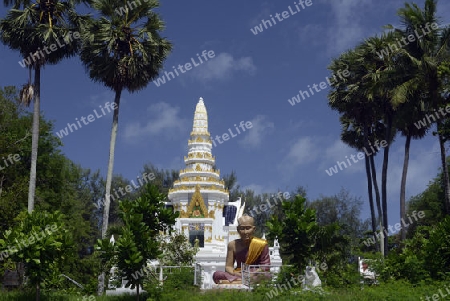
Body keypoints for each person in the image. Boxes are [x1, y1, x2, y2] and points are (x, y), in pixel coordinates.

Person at [213, 214, 270, 284]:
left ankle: (233, 282)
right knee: (217, 274)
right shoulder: (232, 245)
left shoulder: (261, 244)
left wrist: (253, 273)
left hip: (254, 273)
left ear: (254, 229)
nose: (245, 232)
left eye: (248, 228)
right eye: (242, 228)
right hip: (239, 273)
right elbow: (228, 266)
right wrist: (236, 273)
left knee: (266, 275)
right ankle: (241, 281)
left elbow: (265, 266)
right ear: (238, 229)